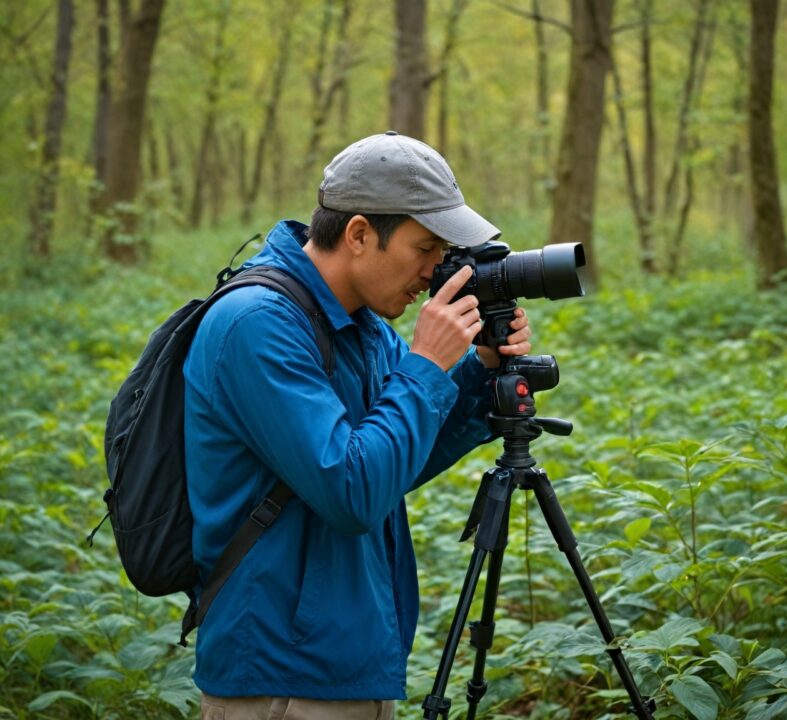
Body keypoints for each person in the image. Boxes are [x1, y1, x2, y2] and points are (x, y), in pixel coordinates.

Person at [184, 131, 532, 720]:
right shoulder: (257, 325)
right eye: (425, 248)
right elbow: (354, 491)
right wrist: (424, 364)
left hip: (347, 660)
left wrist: (477, 375)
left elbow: (396, 461)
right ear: (360, 234)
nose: (435, 270)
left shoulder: (361, 323)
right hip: (282, 679)